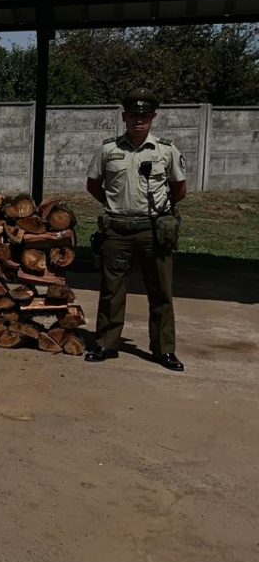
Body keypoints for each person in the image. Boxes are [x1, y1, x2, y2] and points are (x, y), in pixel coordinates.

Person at [85, 87, 188, 370]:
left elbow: (179, 188)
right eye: (133, 115)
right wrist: (115, 204)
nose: (138, 120)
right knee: (111, 290)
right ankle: (106, 343)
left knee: (160, 292)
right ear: (124, 117)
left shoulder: (166, 150)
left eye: (144, 115)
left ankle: (164, 349)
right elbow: (94, 184)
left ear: (153, 117)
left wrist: (161, 210)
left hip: (152, 230)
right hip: (117, 230)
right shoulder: (108, 149)